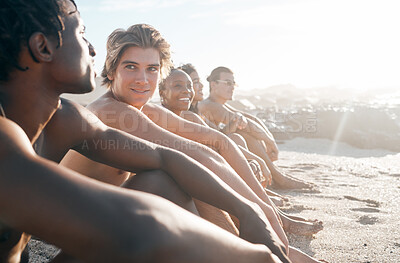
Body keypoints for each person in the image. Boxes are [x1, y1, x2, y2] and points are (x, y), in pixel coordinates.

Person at [0, 1, 287, 262]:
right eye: (82, 33)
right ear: (43, 47)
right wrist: (252, 255)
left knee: (161, 182)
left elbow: (166, 158)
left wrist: (251, 212)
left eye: (151, 69)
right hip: (91, 227)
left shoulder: (68, 118)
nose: (93, 49)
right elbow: (144, 224)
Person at [61, 24, 323, 262]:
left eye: (151, 69)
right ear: (112, 69)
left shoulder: (144, 110)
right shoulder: (112, 111)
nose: (142, 79)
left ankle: (260, 251)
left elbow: (218, 143)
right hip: (76, 231)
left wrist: (265, 211)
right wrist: (257, 214)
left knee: (192, 177)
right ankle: (250, 254)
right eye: (131, 67)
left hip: (111, 216)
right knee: (176, 175)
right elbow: (195, 156)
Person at [198, 66, 314, 190]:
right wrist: (270, 142)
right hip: (211, 157)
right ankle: (278, 177)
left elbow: (251, 119)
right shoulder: (209, 105)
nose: (232, 87)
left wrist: (269, 139)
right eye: (228, 83)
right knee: (244, 133)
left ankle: (276, 175)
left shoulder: (219, 104)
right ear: (213, 84)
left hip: (221, 151)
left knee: (244, 129)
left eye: (233, 83)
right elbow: (248, 125)